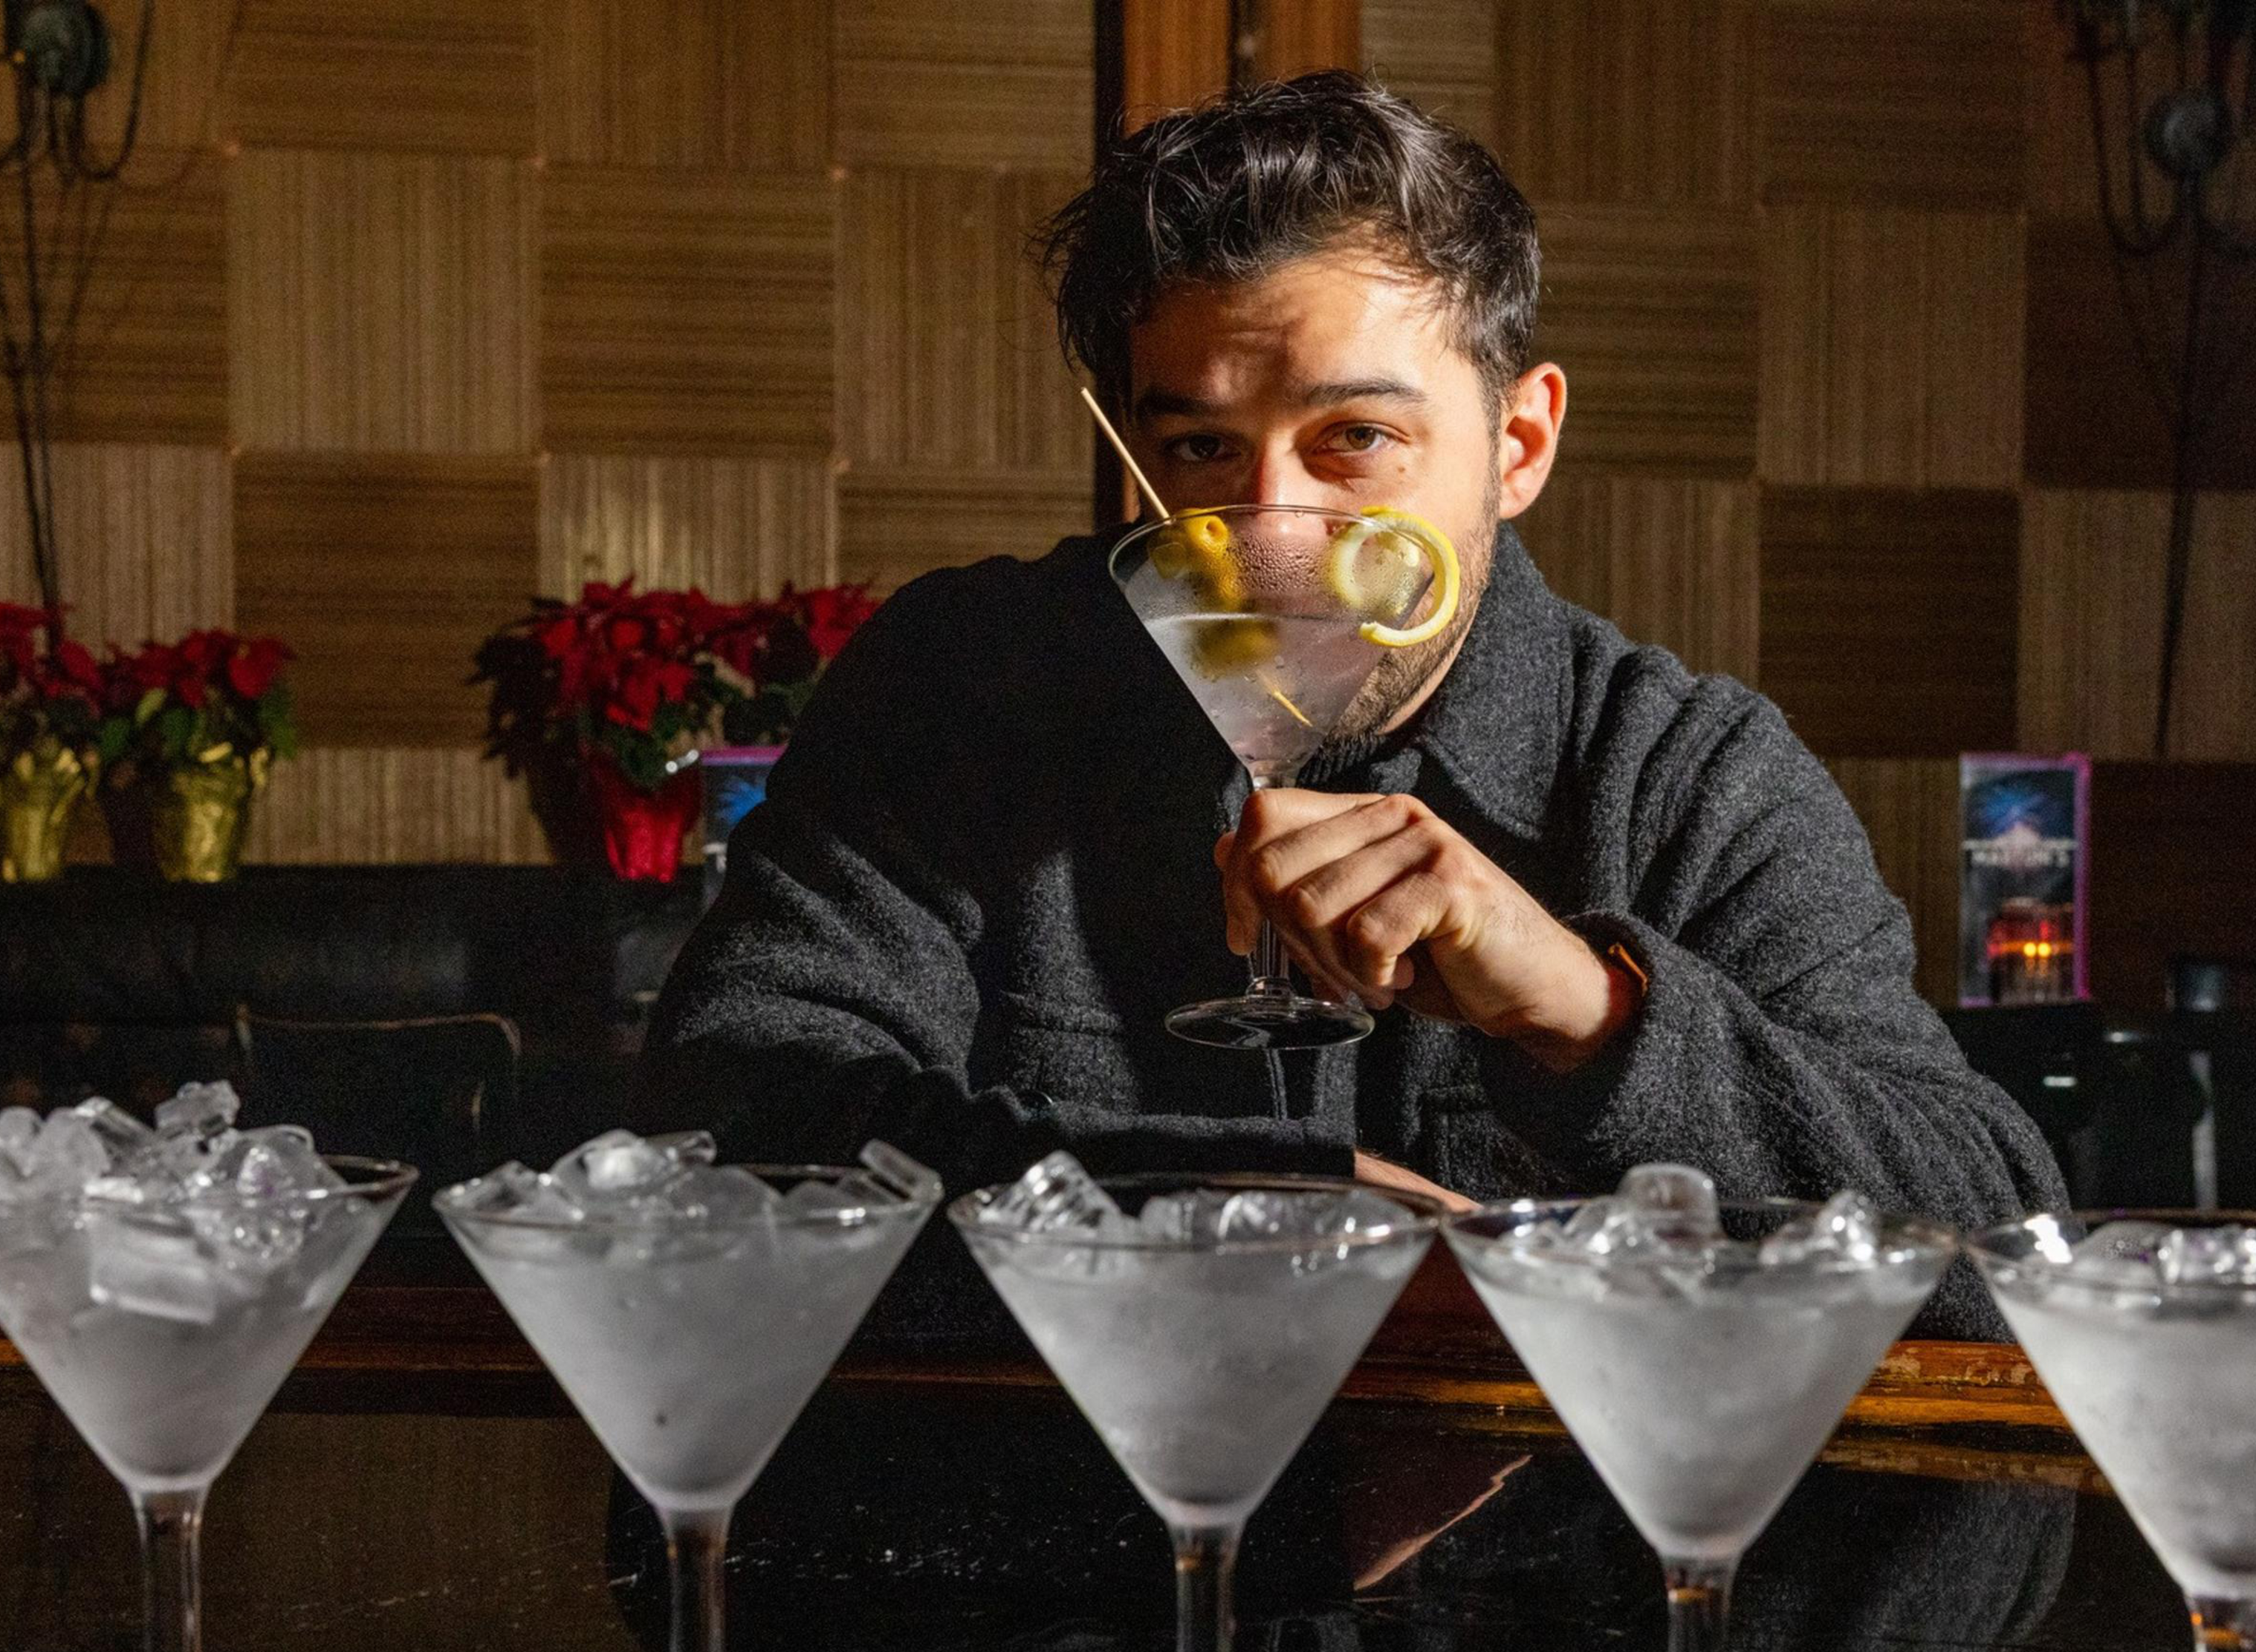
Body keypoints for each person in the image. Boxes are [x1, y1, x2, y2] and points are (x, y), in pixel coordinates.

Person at [636, 72, 2063, 1340]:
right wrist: (1232, 1211)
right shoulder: (969, 680)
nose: (1269, 532)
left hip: (1531, 1613)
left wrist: (1588, 1009)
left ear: (1518, 444)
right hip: (1086, 1599)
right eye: (1200, 444)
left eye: (1357, 439)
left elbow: (1999, 1254)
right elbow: (725, 1127)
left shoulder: (1688, 774)